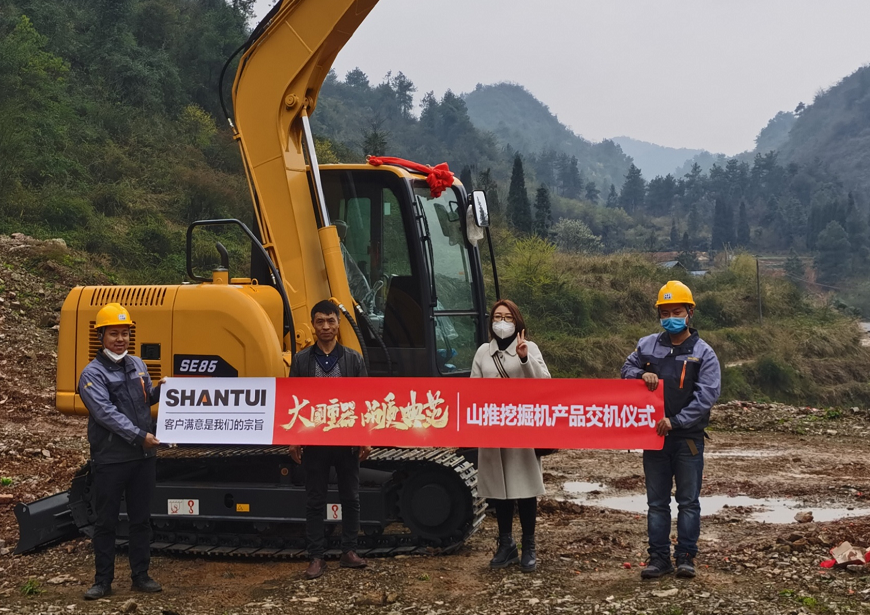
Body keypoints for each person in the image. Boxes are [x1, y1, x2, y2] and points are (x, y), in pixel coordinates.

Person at [621, 281, 721, 580]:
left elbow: (707, 395)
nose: (671, 318)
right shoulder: (647, 345)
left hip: (687, 440)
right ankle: (659, 558)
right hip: (654, 439)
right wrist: (642, 373)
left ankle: (686, 557)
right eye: (665, 313)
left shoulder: (704, 353)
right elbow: (626, 371)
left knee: (688, 502)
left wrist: (676, 421)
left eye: (677, 312)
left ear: (690, 312)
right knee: (656, 503)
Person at [78, 303, 163, 600]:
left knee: (141, 520)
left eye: (125, 333)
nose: (120, 339)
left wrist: (164, 390)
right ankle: (103, 581)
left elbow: (145, 400)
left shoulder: (138, 365)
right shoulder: (92, 373)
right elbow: (105, 413)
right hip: (112, 459)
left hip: (142, 458)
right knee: (106, 522)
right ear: (101, 335)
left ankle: (141, 576)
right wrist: (140, 436)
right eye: (113, 333)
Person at [289, 299, 371, 580]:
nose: (326, 326)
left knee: (351, 497)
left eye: (330, 321)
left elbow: (364, 400)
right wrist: (294, 438)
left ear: (338, 323)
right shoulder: (302, 360)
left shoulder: (353, 359)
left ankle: (349, 551)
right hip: (315, 442)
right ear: (313, 325)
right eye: (320, 321)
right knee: (315, 499)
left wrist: (365, 437)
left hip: (347, 440)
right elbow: (293, 401)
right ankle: (316, 557)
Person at [470, 299, 550, 573]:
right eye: (497, 317)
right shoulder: (483, 352)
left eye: (508, 317)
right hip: (493, 429)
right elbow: (473, 390)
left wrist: (524, 357)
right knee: (499, 491)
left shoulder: (530, 348)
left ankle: (529, 546)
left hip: (522, 428)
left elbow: (545, 384)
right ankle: (506, 545)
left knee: (525, 489)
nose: (502, 322)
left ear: (517, 322)